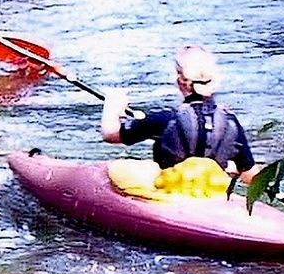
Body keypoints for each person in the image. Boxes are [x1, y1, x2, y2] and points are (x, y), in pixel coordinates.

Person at [100, 45, 257, 181]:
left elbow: (111, 135)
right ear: (214, 82)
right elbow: (248, 172)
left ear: (179, 82)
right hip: (211, 194)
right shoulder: (231, 122)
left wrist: (112, 107)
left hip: (170, 193)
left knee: (120, 168)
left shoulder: (165, 119)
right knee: (229, 168)